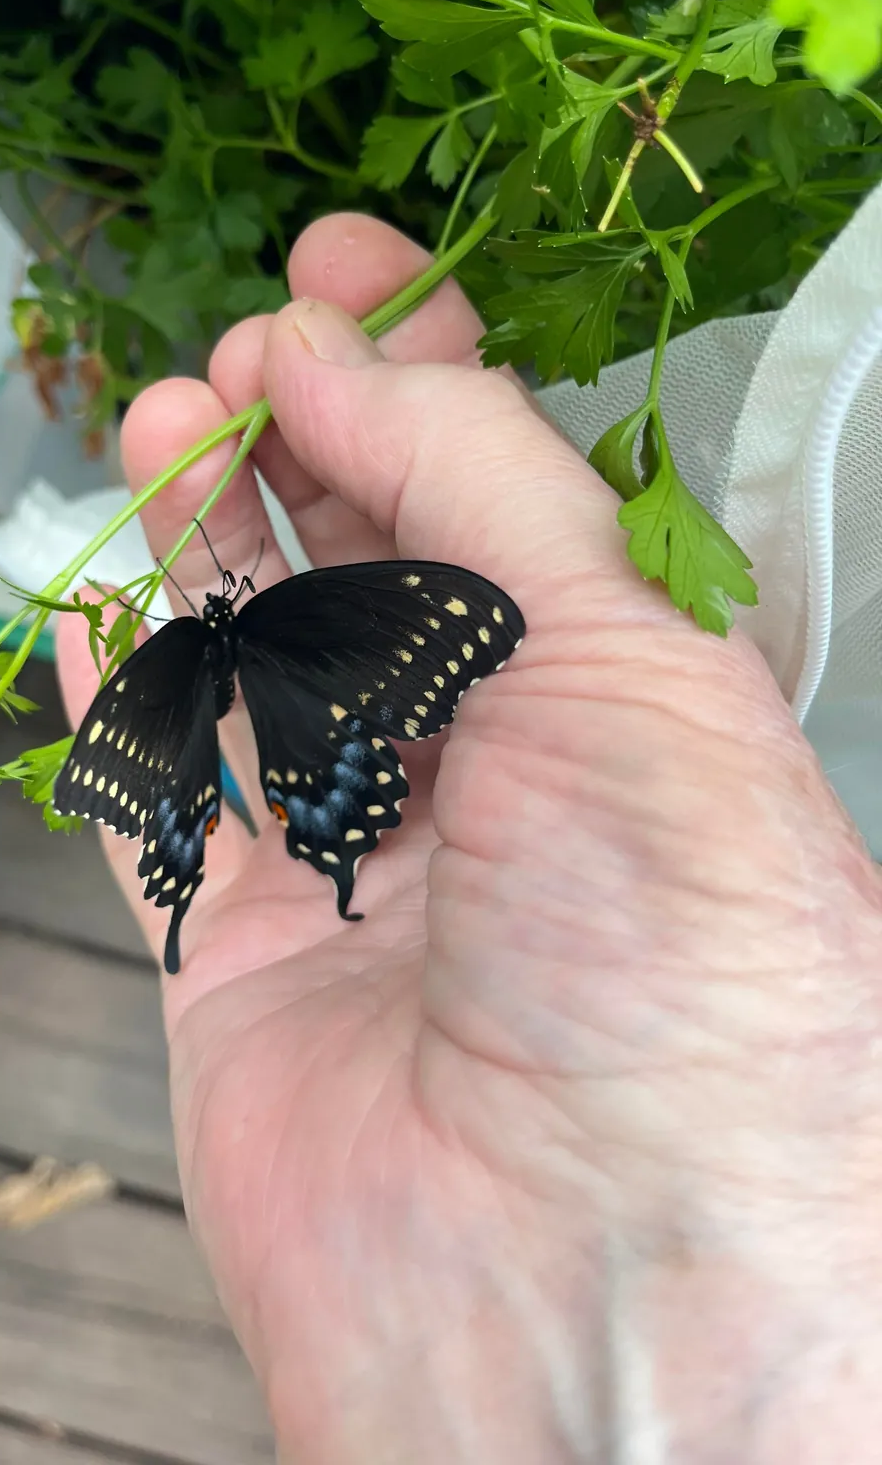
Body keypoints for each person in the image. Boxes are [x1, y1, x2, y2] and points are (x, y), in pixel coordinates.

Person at [56, 213, 882, 1463]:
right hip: (318, 737)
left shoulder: (205, 647)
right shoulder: (305, 617)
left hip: (304, 768)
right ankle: (305, 835)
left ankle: (291, 837)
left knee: (222, 791)